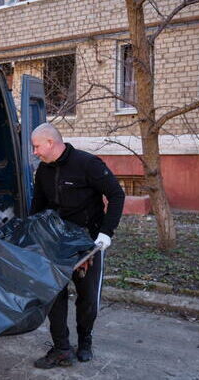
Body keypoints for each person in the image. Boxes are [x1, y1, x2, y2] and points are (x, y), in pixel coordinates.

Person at [30, 122, 125, 369]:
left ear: (50, 143)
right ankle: (62, 348)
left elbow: (116, 195)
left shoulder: (88, 164)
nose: (35, 152)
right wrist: (34, 236)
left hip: (87, 244)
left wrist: (105, 233)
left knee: (87, 299)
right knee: (55, 296)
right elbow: (38, 206)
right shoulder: (43, 170)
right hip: (56, 243)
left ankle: (85, 341)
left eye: (36, 146)